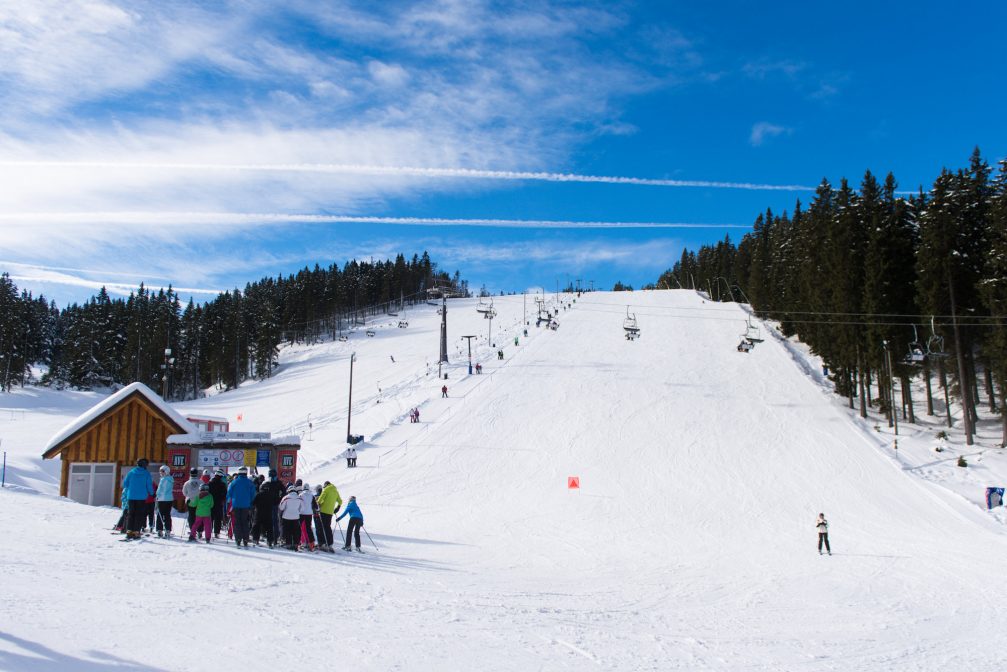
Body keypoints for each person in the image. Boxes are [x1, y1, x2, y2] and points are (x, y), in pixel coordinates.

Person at [121, 458, 154, 540]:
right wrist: (152, 493)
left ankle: (129, 531)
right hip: (141, 497)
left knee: (131, 514)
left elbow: (125, 484)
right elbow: (149, 485)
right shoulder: (146, 473)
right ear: (144, 465)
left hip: (131, 496)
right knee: (139, 514)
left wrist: (132, 489)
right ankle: (136, 532)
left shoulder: (131, 472)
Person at [227, 466, 256, 547]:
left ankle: (238, 539)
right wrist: (251, 503)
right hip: (246, 506)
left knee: (237, 523)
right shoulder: (250, 483)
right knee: (245, 522)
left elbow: (229, 494)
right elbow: (253, 495)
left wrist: (229, 503)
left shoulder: (234, 482)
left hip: (236, 505)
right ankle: (245, 540)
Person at [316, 481, 343, 553]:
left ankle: (322, 544)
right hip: (330, 512)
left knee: (322, 527)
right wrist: (337, 508)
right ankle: (330, 543)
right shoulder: (335, 491)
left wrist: (318, 504)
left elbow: (320, 500)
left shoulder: (326, 489)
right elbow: (340, 501)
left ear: (325, 485)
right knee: (328, 527)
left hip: (323, 511)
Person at [251, 481, 276, 547]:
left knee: (257, 527)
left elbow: (253, 503)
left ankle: (255, 539)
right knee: (269, 528)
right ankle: (270, 541)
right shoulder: (271, 495)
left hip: (259, 513)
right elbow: (274, 503)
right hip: (268, 513)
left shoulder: (259, 494)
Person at [279, 485, 303, 551]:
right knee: (295, 531)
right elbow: (302, 508)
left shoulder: (286, 497)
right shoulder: (299, 498)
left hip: (286, 517)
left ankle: (288, 544)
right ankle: (295, 544)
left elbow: (281, 507)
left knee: (287, 531)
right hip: (296, 517)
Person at [155, 465, 175, 537]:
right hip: (169, 499)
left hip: (162, 499)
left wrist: (157, 495)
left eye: (162, 471)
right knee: (167, 515)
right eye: (160, 471)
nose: (161, 473)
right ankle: (168, 529)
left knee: (160, 514)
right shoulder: (169, 479)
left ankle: (160, 530)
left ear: (166, 471)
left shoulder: (164, 480)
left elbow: (161, 490)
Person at [298, 483, 317, 551]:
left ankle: (299, 543)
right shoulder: (312, 495)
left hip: (302, 513)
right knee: (308, 529)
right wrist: (316, 509)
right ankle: (312, 544)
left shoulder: (301, 494)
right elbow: (315, 505)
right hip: (309, 513)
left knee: (299, 528)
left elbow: (298, 503)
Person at [208, 470, 227, 537]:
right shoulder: (222, 484)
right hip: (219, 503)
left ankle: (209, 531)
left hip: (210, 503)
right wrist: (223, 499)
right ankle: (216, 532)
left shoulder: (210, 483)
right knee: (218, 518)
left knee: (210, 518)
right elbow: (225, 494)